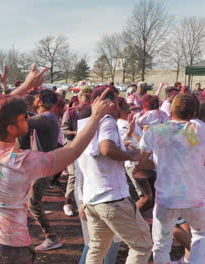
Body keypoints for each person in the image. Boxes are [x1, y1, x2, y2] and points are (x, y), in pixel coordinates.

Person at [0, 63, 113, 264]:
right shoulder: (22, 161)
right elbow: (72, 151)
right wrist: (95, 117)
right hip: (7, 247)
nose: (28, 119)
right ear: (10, 128)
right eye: (23, 118)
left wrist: (27, 85)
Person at [77, 86, 153, 263]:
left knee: (97, 248)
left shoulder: (85, 124)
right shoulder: (108, 120)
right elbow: (106, 149)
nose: (120, 106)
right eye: (118, 102)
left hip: (92, 200)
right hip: (112, 198)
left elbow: (88, 158)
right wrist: (130, 155)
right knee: (142, 246)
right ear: (109, 103)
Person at [138, 93, 205, 264]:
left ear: (171, 111)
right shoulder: (201, 130)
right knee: (200, 237)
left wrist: (160, 166)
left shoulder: (155, 131)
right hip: (196, 197)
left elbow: (140, 162)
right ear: (193, 113)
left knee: (161, 244)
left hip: (166, 198)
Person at [18, 89, 63, 251]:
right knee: (25, 199)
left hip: (43, 169)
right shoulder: (48, 117)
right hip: (40, 166)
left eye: (36, 97)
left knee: (33, 204)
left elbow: (24, 120)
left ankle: (52, 238)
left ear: (41, 102)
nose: (34, 99)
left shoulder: (46, 119)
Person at [61, 87, 92, 216]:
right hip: (72, 146)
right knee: (73, 175)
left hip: (87, 148)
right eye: (85, 96)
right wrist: (77, 133)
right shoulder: (71, 112)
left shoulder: (93, 112)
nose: (87, 99)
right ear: (79, 98)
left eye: (89, 97)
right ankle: (67, 202)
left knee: (87, 174)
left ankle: (85, 203)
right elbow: (64, 129)